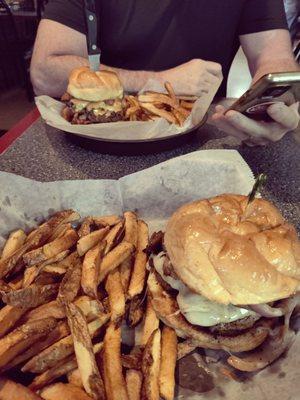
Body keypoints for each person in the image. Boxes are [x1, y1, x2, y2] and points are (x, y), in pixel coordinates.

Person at [30, 0, 300, 146]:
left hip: (201, 139)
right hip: (96, 141)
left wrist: (274, 102)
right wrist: (159, 82)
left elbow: (273, 56)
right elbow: (45, 71)